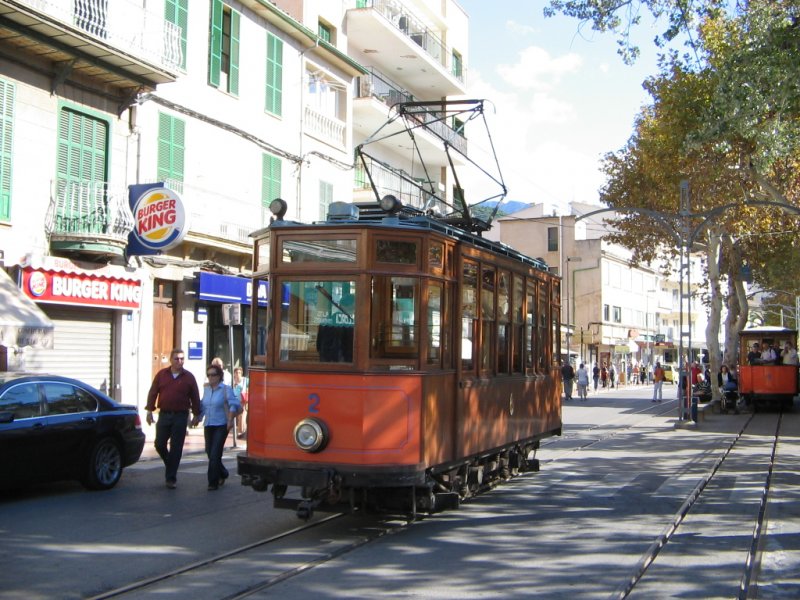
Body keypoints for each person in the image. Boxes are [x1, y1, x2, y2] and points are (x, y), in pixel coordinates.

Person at [146, 348, 201, 489]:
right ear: (171, 360)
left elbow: (195, 397)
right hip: (164, 414)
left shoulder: (189, 377)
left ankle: (171, 478)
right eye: (177, 359)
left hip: (181, 416)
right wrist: (149, 411)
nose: (179, 361)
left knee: (176, 447)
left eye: (182, 359)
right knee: (159, 443)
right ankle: (170, 463)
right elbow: (153, 392)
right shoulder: (161, 375)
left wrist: (196, 415)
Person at [193, 364, 241, 491]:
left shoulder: (225, 389)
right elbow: (204, 405)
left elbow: (233, 404)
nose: (210, 377)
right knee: (210, 452)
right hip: (209, 424)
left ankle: (212, 482)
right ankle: (223, 473)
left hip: (221, 424)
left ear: (219, 376)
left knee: (215, 453)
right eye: (208, 375)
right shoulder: (207, 389)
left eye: (213, 375)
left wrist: (230, 420)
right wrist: (197, 417)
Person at [232, 366, 248, 437]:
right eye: (236, 372)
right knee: (239, 417)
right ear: (234, 374)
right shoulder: (233, 381)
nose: (238, 374)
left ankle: (241, 432)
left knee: (242, 415)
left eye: (239, 372)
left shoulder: (245, 380)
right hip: (235, 401)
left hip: (243, 401)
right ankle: (243, 431)